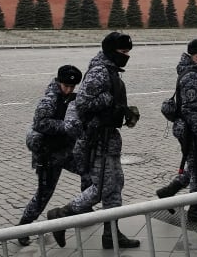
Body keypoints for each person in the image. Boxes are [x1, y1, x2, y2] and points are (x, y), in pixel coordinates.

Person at [47, 32, 141, 249]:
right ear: (111, 51)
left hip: (109, 138)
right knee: (101, 188)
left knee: (115, 186)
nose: (126, 56)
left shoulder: (110, 70)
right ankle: (60, 216)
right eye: (123, 52)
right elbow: (82, 103)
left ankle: (111, 234)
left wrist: (122, 110)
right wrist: (110, 101)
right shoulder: (99, 72)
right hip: (97, 140)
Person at [16, 64, 84, 246]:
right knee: (43, 195)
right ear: (59, 82)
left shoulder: (71, 98)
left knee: (90, 172)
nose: (69, 90)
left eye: (72, 87)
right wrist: (65, 126)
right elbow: (40, 123)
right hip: (48, 155)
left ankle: (84, 208)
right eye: (66, 86)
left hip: (67, 152)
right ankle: (22, 227)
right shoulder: (50, 99)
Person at [155, 38, 197, 223]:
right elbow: (190, 109)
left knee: (195, 166)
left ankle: (168, 191)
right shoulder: (193, 76)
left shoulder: (192, 72)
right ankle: (195, 210)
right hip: (190, 130)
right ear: (195, 57)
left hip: (187, 128)